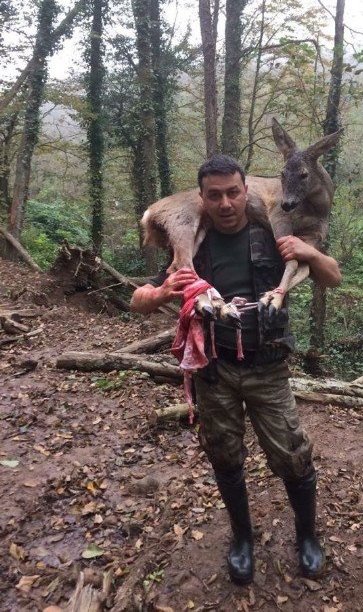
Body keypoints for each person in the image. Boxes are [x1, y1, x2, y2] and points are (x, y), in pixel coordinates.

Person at [130, 155, 341, 585]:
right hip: (214, 370)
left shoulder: (272, 231)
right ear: (202, 200)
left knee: (293, 455)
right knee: (224, 455)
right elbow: (140, 298)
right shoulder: (194, 243)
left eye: (233, 192)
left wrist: (309, 252)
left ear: (247, 191)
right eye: (214, 195)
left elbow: (332, 277)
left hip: (268, 369)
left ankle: (307, 538)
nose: (225, 203)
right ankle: (242, 540)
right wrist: (156, 296)